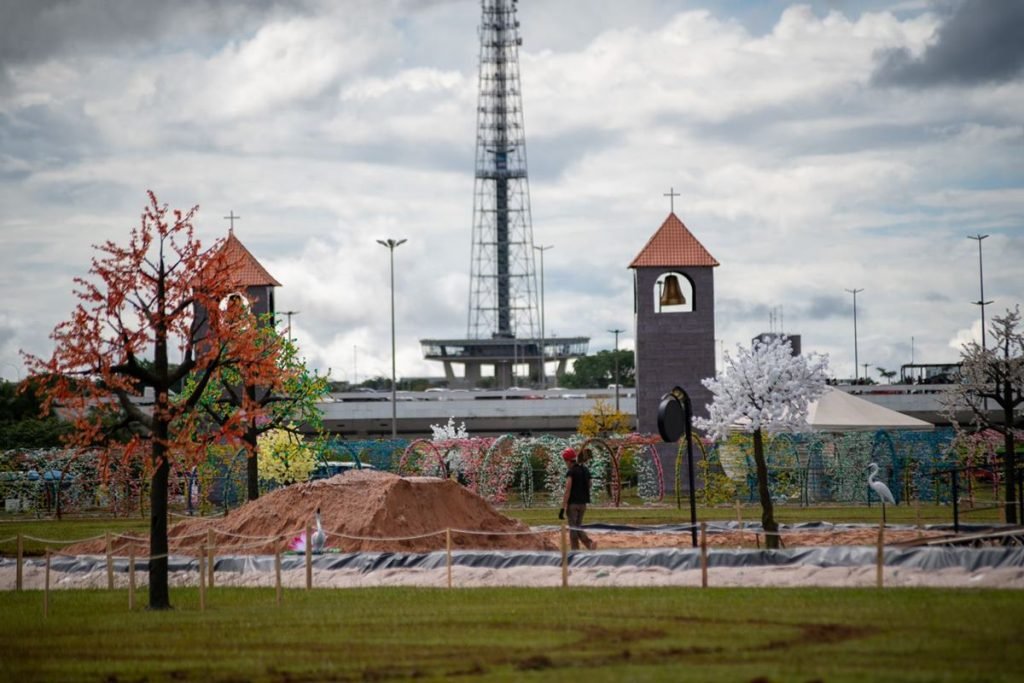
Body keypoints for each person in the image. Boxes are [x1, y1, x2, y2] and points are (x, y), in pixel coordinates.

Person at [558, 447, 595, 550]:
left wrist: (562, 508)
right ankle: (589, 545)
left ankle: (577, 551)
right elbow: (590, 484)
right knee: (578, 526)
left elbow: (567, 490)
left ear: (568, 460)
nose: (566, 464)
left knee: (573, 529)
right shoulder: (585, 469)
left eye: (565, 461)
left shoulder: (571, 472)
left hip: (573, 505)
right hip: (583, 504)